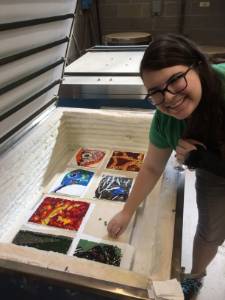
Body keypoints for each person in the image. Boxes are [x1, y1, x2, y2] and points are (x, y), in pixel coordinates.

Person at [107, 33, 225, 300]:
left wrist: (209, 161)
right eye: (156, 93)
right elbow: (151, 167)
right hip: (213, 175)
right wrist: (127, 211)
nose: (169, 98)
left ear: (198, 65)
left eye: (174, 80)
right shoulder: (166, 120)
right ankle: (196, 275)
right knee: (210, 232)